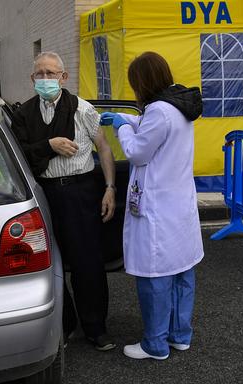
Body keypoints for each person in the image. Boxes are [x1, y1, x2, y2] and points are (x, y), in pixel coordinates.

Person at [10, 51, 118, 351]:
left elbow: (104, 149)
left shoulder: (82, 109)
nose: (46, 79)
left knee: (88, 262)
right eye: (40, 74)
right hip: (43, 192)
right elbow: (19, 153)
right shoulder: (23, 114)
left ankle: (96, 327)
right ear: (33, 79)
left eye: (51, 73)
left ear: (63, 77)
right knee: (48, 262)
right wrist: (49, 145)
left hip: (80, 191)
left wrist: (110, 188)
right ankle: (65, 325)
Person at [100, 52, 204, 360]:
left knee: (155, 276)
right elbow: (150, 125)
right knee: (182, 272)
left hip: (159, 209)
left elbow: (136, 152)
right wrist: (129, 119)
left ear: (143, 82)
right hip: (179, 207)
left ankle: (155, 344)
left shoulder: (159, 110)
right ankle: (180, 335)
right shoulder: (178, 105)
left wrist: (121, 126)